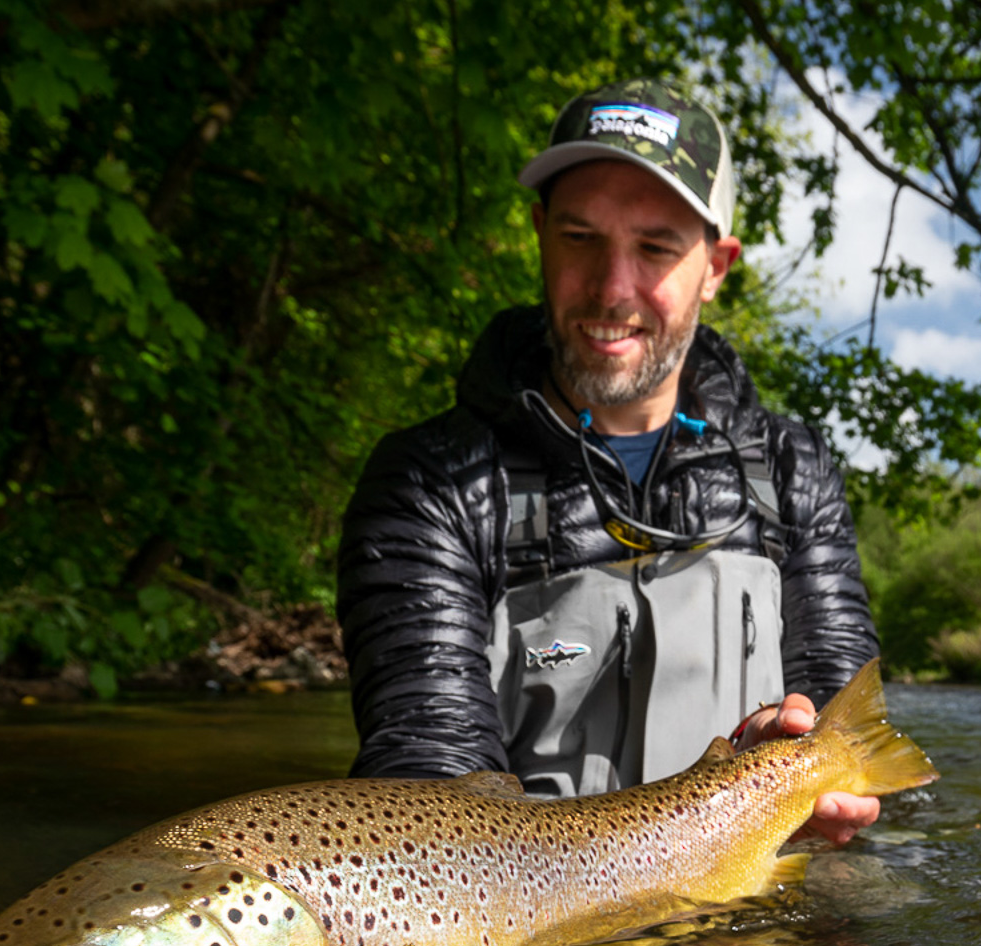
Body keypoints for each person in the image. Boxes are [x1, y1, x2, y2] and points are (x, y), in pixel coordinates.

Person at [335, 79, 881, 845]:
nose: (611, 289)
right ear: (538, 233)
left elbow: (845, 722)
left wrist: (807, 768)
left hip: (759, 910)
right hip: (530, 925)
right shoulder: (432, 481)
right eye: (580, 238)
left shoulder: (791, 469)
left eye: (655, 247)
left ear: (716, 267)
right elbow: (425, 778)